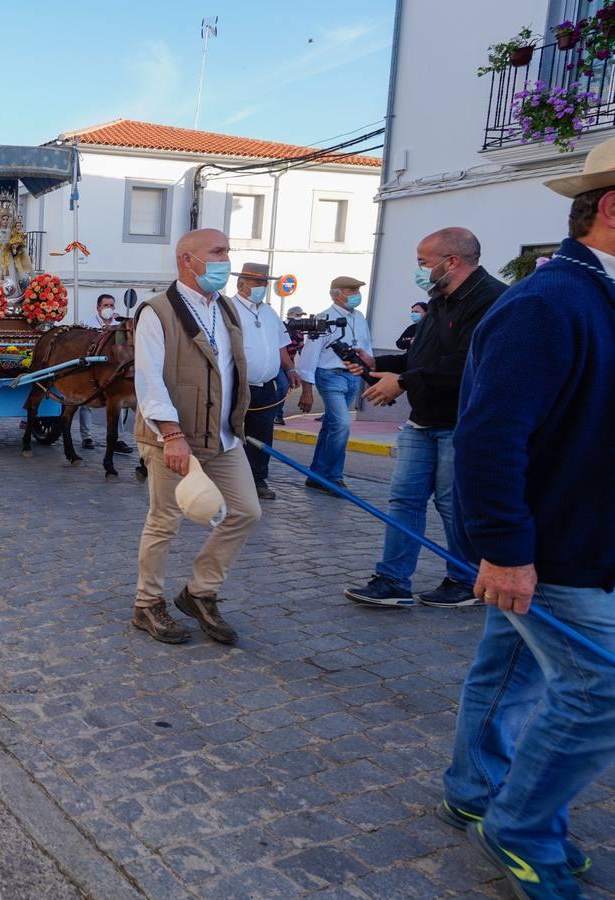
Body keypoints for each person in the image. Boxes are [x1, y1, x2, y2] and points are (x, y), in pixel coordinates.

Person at [439, 144, 615, 900]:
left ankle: (475, 789)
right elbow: (486, 436)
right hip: (553, 550)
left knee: (505, 667)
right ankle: (518, 827)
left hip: (576, 538)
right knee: (601, 686)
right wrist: (506, 552)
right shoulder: (549, 301)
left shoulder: (594, 295)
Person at [343, 228, 506, 609]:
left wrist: (402, 381)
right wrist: (379, 364)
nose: (419, 270)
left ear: (451, 262)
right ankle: (392, 580)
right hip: (422, 421)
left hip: (461, 422)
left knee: (454, 505)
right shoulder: (438, 299)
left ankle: (466, 579)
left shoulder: (493, 300)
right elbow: (423, 358)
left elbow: (468, 363)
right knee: (404, 499)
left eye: (423, 262)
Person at [132, 228, 261, 646]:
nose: (227, 258)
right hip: (172, 437)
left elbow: (232, 368)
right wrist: (171, 434)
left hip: (223, 437)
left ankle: (200, 592)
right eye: (218, 252)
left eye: (228, 249)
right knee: (165, 520)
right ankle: (147, 603)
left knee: (246, 511)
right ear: (188, 260)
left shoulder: (225, 308)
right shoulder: (157, 311)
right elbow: (149, 380)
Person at [228, 263, 299, 501]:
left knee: (262, 434)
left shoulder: (269, 313)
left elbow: (281, 345)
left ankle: (257, 479)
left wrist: (290, 369)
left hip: (267, 386)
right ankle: (228, 481)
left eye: (264, 283)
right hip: (237, 385)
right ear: (241, 284)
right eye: (257, 283)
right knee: (232, 433)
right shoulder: (229, 309)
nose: (262, 288)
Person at [296, 276, 372, 492]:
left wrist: (370, 375)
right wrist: (307, 390)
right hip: (330, 375)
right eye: (351, 290)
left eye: (357, 290)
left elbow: (367, 347)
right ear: (335, 294)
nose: (356, 294)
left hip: (353, 375)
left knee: (331, 426)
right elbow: (310, 355)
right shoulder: (323, 318)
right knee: (341, 425)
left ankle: (316, 474)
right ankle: (333, 477)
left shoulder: (359, 317)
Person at [75, 293, 133, 454]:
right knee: (86, 403)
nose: (108, 309)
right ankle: (86, 436)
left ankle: (118, 438)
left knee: (119, 404)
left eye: (111, 306)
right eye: (105, 305)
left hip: (113, 371)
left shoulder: (119, 325)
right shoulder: (88, 323)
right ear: (98, 307)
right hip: (92, 370)